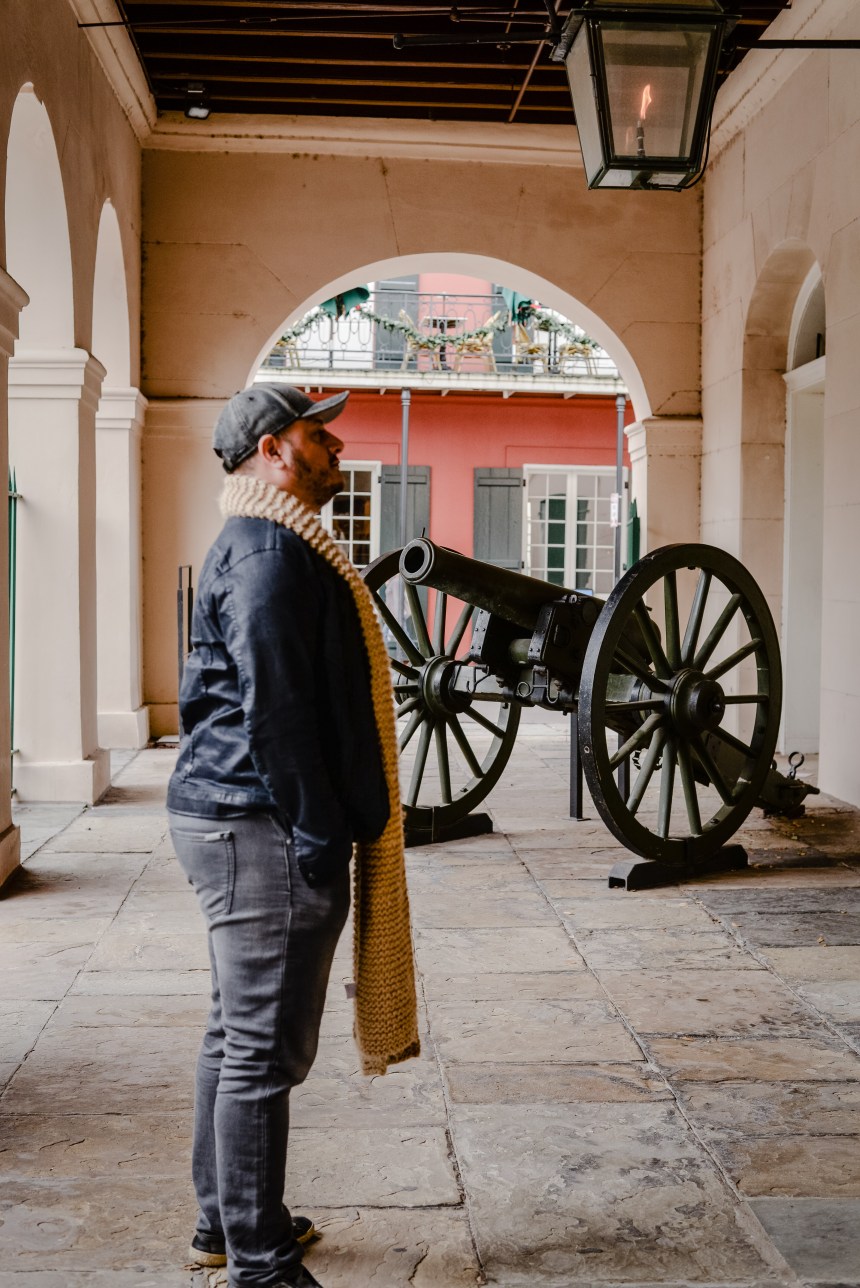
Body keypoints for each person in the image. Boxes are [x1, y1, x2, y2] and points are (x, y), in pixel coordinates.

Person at [167, 383, 419, 1288]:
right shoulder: (272, 555)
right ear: (274, 449)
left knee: (235, 1034)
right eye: (322, 434)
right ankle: (260, 1265)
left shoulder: (275, 542)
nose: (338, 447)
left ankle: (225, 1223)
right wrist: (317, 831)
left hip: (236, 814)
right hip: (257, 822)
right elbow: (278, 714)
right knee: (261, 1051)